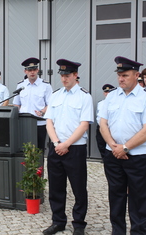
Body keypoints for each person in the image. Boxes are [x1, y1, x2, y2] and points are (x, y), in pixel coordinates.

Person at [99, 56, 146, 235]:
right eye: (119, 75)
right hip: (113, 155)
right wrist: (113, 145)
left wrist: (125, 148)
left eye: (125, 75)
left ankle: (139, 231)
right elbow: (103, 123)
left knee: (139, 198)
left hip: (138, 157)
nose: (120, 79)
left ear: (136, 75)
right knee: (116, 196)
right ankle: (117, 231)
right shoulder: (112, 97)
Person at [43, 59, 94, 235]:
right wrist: (57, 143)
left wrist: (66, 144)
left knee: (78, 187)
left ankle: (79, 224)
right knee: (56, 187)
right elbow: (49, 121)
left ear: (75, 75)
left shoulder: (84, 96)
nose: (64, 79)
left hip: (75, 149)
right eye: (62, 75)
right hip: (56, 147)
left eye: (67, 75)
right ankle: (58, 221)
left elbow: (84, 125)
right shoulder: (55, 95)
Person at [13, 57, 53, 152]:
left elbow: (50, 104)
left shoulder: (45, 86)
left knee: (39, 150)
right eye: (29, 70)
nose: (32, 72)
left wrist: (42, 111)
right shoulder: (20, 85)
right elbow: (16, 104)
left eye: (34, 69)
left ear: (38, 70)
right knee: (24, 150)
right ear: (25, 71)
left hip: (39, 123)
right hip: (24, 123)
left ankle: (39, 167)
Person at [95, 84, 115, 159]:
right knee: (101, 144)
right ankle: (104, 159)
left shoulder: (115, 103)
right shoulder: (100, 103)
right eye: (106, 92)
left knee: (111, 145)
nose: (107, 94)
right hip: (100, 127)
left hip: (110, 128)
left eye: (109, 92)